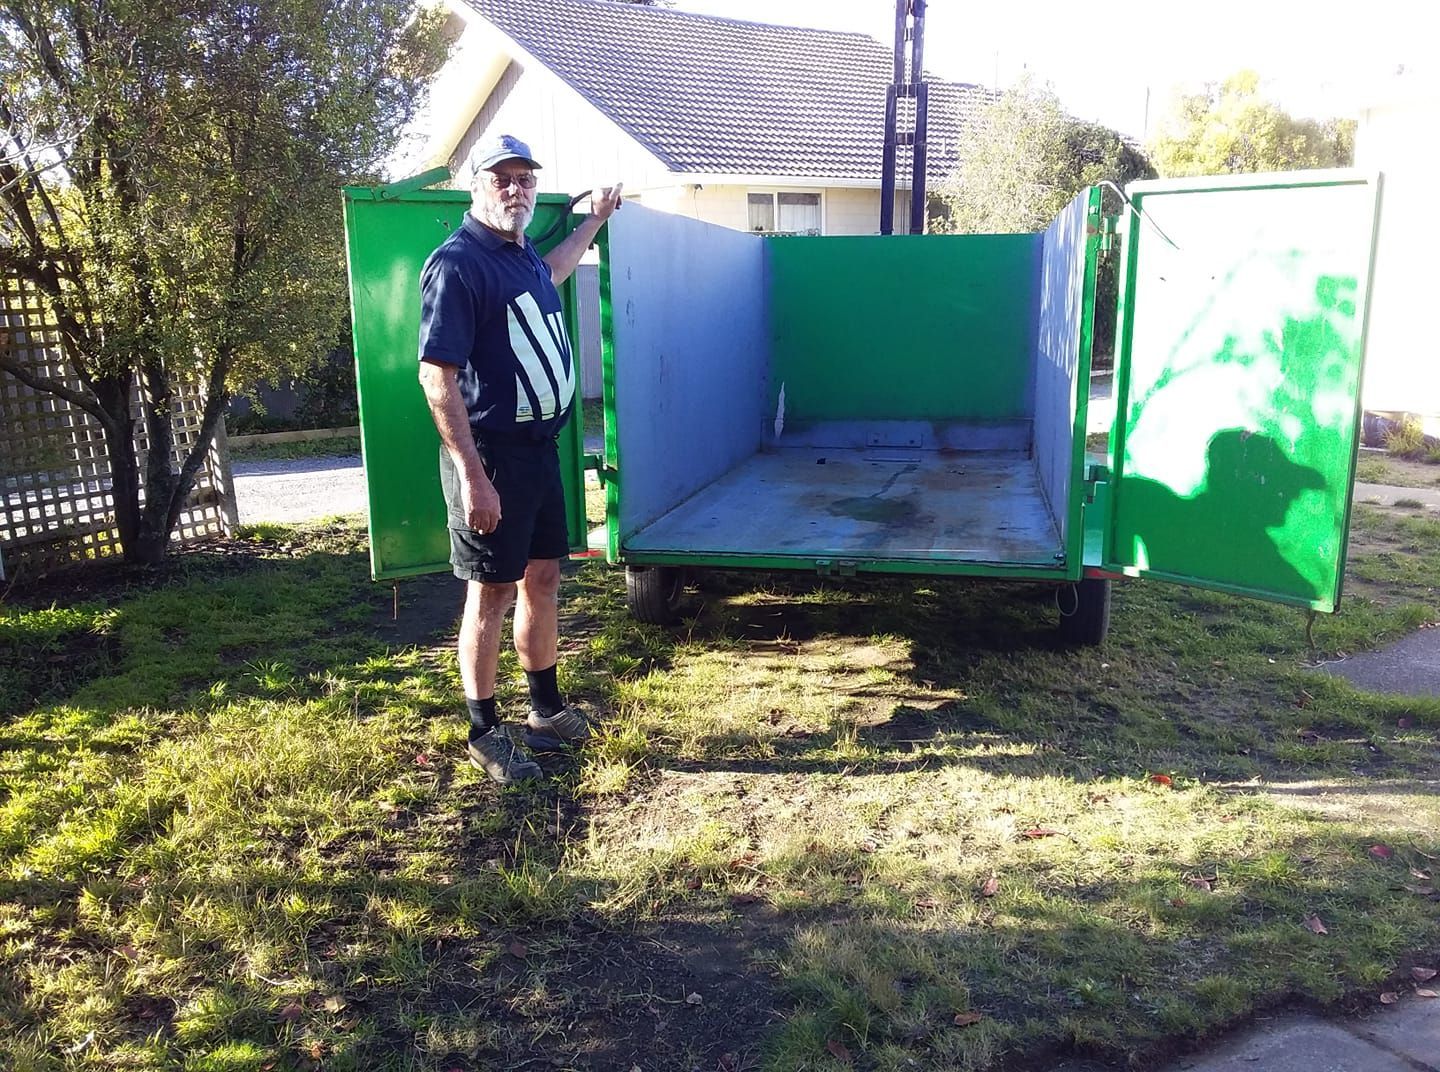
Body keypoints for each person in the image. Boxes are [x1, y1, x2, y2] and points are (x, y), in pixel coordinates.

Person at [417, 133, 623, 784]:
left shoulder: (522, 252)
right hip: (491, 458)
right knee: (492, 591)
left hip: (538, 452)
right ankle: (484, 732)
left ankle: (544, 712)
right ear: (476, 186)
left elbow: (558, 269)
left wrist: (593, 218)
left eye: (524, 179)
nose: (515, 189)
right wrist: (474, 478)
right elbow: (436, 377)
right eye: (501, 178)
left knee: (544, 579)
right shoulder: (458, 263)